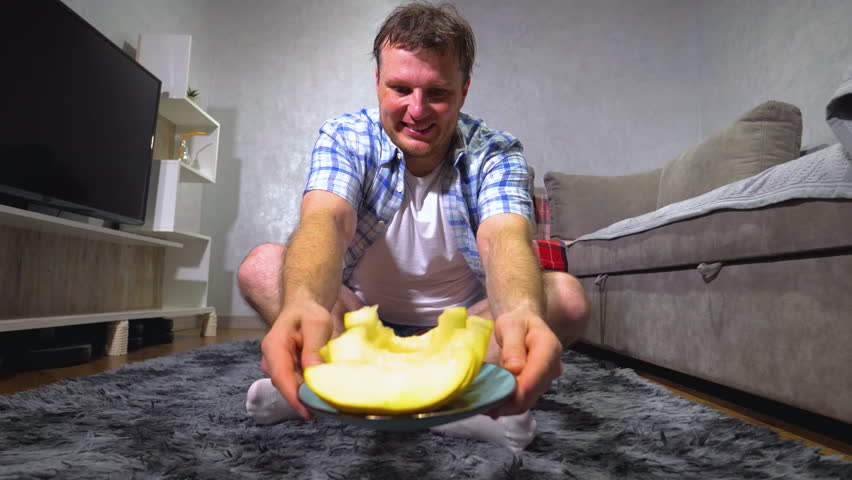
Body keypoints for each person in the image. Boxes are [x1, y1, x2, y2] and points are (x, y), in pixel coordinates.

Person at [238, 1, 589, 452]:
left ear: (464, 90)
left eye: (437, 94)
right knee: (261, 266)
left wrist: (521, 312)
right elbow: (325, 219)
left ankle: (328, 391)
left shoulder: (496, 151)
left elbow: (504, 236)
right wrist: (303, 302)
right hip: (355, 318)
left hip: (466, 327)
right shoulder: (345, 136)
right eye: (400, 88)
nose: (417, 111)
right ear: (377, 82)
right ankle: (463, 407)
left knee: (566, 299)